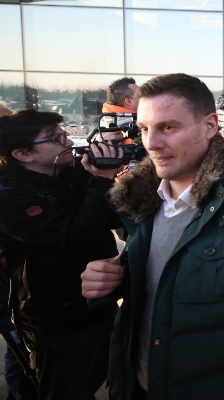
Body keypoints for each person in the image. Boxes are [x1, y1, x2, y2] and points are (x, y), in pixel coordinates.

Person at [81, 73, 224, 399]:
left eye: (168, 127)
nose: (152, 143)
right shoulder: (144, 197)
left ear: (210, 126)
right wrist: (113, 280)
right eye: (144, 129)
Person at [0, 109, 123, 399]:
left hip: (96, 305)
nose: (67, 142)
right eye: (54, 139)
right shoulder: (9, 196)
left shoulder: (64, 177)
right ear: (23, 154)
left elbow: (106, 219)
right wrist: (102, 178)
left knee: (95, 375)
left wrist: (97, 175)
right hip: (57, 319)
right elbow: (70, 236)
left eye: (64, 134)